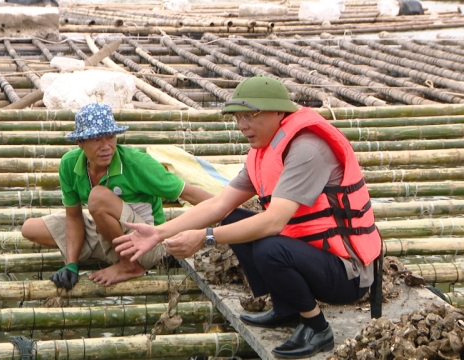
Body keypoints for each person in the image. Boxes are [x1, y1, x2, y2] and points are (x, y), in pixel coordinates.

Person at [113, 76, 382, 359]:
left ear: (280, 112)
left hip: (348, 273)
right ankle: (287, 308)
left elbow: (274, 222)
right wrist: (159, 233)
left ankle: (317, 328)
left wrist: (205, 238)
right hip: (314, 254)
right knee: (232, 219)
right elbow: (219, 205)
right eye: (238, 117)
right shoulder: (263, 152)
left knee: (270, 247)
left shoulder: (307, 149)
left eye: (251, 115)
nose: (243, 126)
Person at [21, 103, 212, 290]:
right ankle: (104, 256)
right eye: (96, 140)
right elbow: (73, 217)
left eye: (110, 137)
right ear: (80, 143)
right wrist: (71, 263)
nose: (106, 147)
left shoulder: (137, 164)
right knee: (30, 228)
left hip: (147, 244)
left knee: (98, 197)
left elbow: (190, 194)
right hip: (106, 233)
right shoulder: (69, 164)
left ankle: (129, 265)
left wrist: (231, 215)